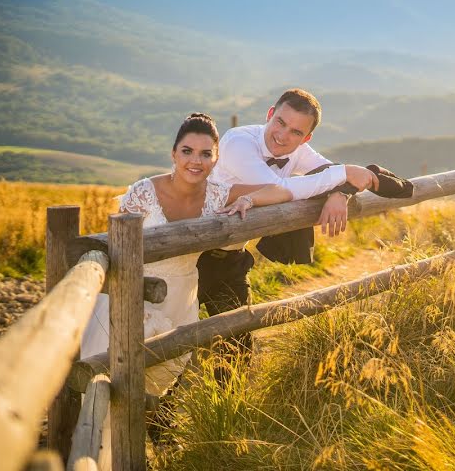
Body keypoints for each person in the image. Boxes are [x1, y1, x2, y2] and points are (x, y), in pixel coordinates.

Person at [79, 112, 356, 469]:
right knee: (115, 379)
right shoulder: (144, 192)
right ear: (173, 154)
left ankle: (182, 442)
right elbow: (114, 250)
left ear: (215, 158)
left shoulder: (220, 193)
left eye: (205, 154)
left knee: (168, 374)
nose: (196, 160)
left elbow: (290, 189)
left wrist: (342, 186)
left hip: (185, 294)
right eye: (188, 151)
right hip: (134, 294)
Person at [200, 89, 381, 318]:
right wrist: (344, 173)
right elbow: (278, 189)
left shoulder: (299, 151)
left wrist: (340, 194)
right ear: (270, 114)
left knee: (238, 348)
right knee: (170, 341)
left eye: (295, 132)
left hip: (233, 256)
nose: (283, 136)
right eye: (280, 122)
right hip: (190, 254)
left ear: (306, 138)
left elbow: (328, 171)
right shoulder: (238, 142)